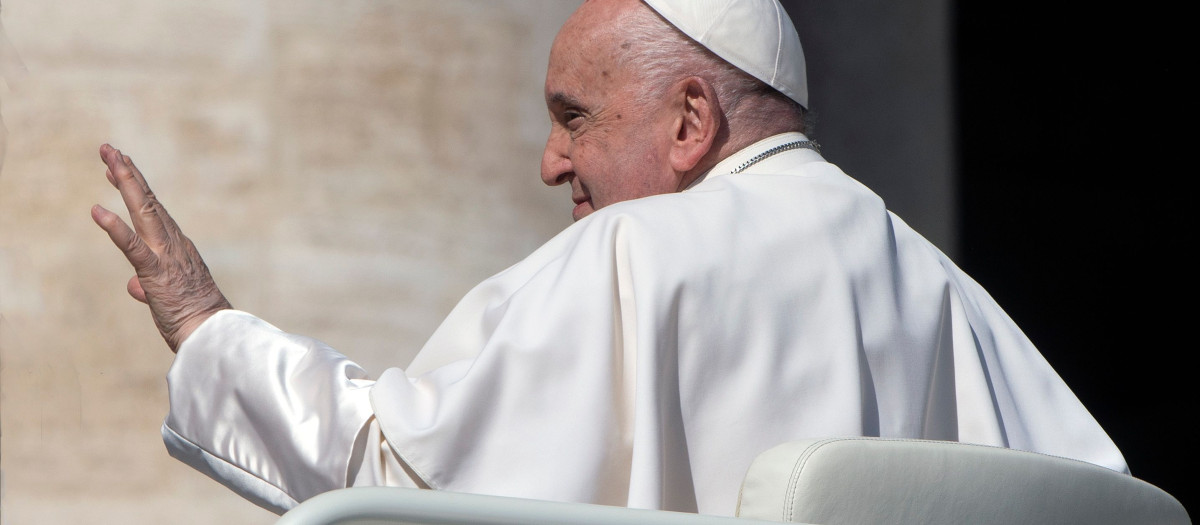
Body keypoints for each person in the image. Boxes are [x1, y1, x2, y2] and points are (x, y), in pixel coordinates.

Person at [91, 0, 1127, 517]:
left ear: (689, 122)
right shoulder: (941, 284)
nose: (552, 163)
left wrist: (205, 324)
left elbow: (398, 479)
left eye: (573, 119)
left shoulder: (636, 247)